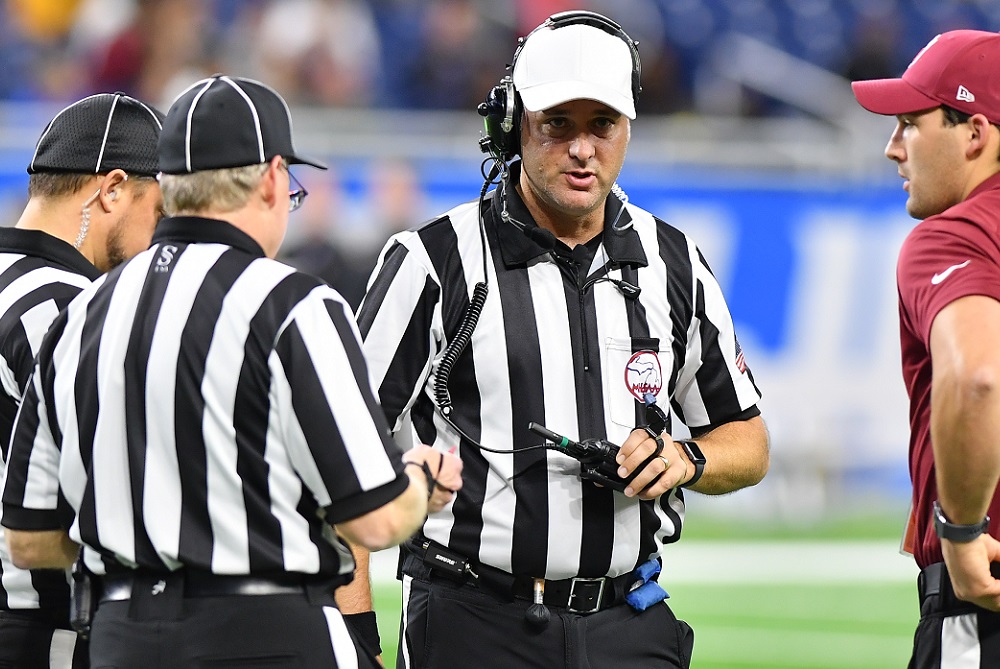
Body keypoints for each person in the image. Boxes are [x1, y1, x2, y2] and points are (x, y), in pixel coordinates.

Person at [1, 74, 462, 669]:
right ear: (272, 179)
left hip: (121, 636)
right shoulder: (293, 302)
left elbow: (30, 539)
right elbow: (374, 517)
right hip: (263, 633)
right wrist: (422, 481)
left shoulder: (83, 312)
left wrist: (140, 537)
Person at [356, 11, 769, 669]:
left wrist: (683, 457)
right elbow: (346, 445)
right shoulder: (433, 260)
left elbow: (747, 439)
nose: (583, 148)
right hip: (472, 619)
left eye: (602, 125)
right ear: (515, 124)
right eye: (558, 125)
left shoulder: (675, 261)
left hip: (628, 619)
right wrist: (353, 631)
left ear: (627, 130)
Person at [0, 91, 165, 669]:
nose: (159, 237)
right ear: (112, 188)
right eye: (159, 211)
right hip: (39, 629)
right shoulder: (73, 309)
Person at [852, 30, 1000, 667]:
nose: (892, 148)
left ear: (973, 133)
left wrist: (963, 533)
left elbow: (977, 379)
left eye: (910, 123)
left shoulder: (955, 235)